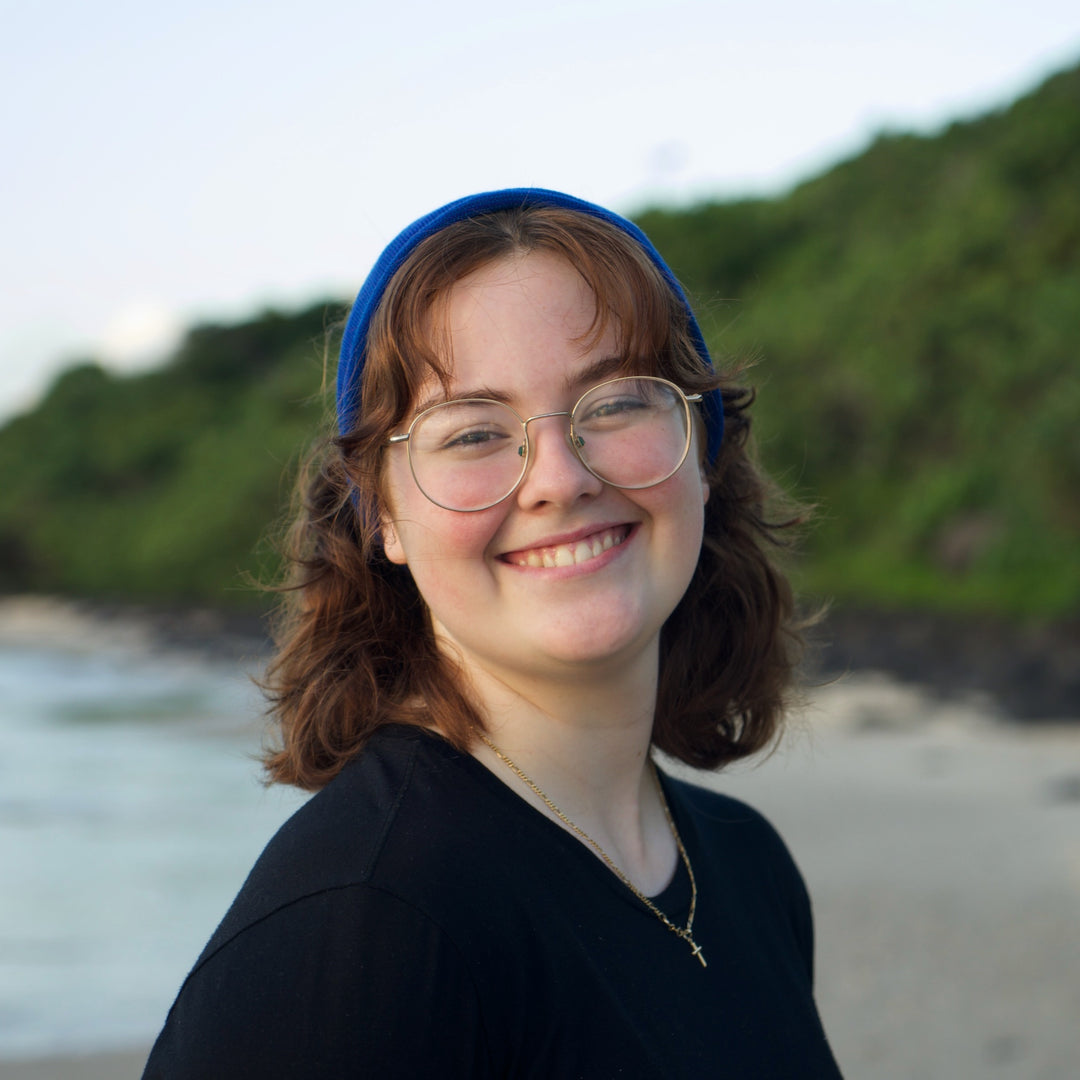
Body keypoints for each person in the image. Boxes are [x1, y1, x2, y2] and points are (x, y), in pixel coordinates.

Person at [143, 189, 843, 1078]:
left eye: (618, 402)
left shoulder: (747, 869)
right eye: (473, 432)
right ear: (383, 518)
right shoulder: (363, 927)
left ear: (701, 452)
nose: (558, 478)